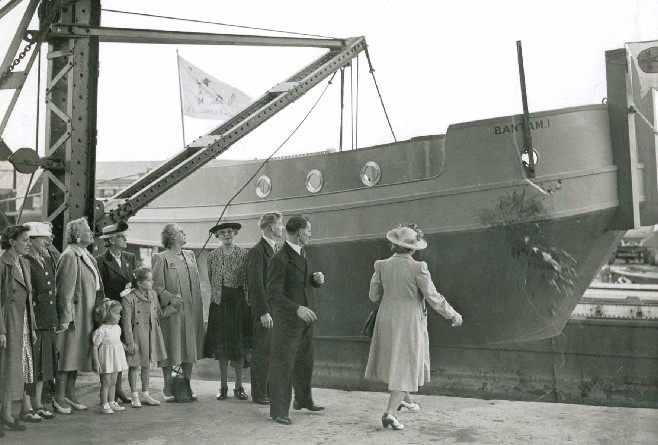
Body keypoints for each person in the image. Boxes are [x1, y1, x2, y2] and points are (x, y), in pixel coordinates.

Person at [364, 224, 463, 431]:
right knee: (407, 363)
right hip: (408, 321)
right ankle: (390, 413)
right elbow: (434, 298)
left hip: (386, 319)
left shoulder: (380, 265)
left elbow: (374, 297)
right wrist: (452, 313)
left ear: (394, 245)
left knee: (396, 360)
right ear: (413, 248)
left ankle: (406, 400)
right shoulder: (418, 267)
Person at [267, 215, 325, 425]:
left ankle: (303, 400)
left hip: (305, 320)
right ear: (300, 232)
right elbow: (273, 295)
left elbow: (299, 283)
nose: (310, 233)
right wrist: (297, 309)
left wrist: (315, 280)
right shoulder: (279, 259)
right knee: (283, 365)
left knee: (304, 361)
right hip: (288, 321)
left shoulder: (302, 253)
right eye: (308, 230)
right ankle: (278, 411)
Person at [54, 217, 104, 414]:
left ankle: (70, 393)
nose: (92, 233)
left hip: (87, 313)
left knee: (76, 355)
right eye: (87, 230)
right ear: (77, 235)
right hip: (75, 317)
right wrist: (65, 319)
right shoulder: (69, 255)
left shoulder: (86, 255)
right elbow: (64, 291)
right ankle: (59, 397)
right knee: (66, 356)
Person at [152, 223, 204, 401]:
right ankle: (167, 388)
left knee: (189, 348)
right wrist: (170, 297)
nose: (184, 233)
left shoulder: (189, 255)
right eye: (181, 231)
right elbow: (156, 285)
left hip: (191, 310)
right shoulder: (161, 257)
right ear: (173, 236)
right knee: (172, 346)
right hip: (174, 311)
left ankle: (186, 387)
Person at [203, 222, 250, 401]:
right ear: (218, 236)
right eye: (222, 233)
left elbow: (246, 279)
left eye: (230, 232)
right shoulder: (212, 256)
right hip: (220, 302)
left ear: (235, 233)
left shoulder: (244, 254)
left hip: (238, 301)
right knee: (221, 346)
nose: (226, 235)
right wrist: (218, 295)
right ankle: (223, 387)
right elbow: (211, 277)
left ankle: (239, 387)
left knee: (239, 346)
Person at [95, 222, 141, 403]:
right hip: (111, 313)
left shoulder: (130, 258)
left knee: (122, 353)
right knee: (110, 350)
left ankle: (119, 389)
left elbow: (138, 279)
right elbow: (100, 289)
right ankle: (108, 392)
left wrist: (133, 286)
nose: (125, 239)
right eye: (121, 236)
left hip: (128, 311)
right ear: (111, 240)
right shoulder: (101, 261)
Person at [122, 267, 176, 408]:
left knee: (146, 365)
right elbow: (126, 322)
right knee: (134, 366)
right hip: (136, 335)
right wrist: (130, 342)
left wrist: (174, 307)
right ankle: (134, 396)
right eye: (149, 280)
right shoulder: (129, 298)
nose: (152, 282)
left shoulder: (152, 294)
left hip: (151, 333)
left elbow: (159, 313)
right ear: (139, 283)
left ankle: (145, 394)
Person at [0, 225, 36, 433]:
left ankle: (7, 414)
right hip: (7, 321)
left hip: (21, 322)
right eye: (25, 240)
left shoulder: (23, 263)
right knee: (5, 370)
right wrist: (1, 330)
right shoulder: (2, 263)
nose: (28, 243)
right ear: (12, 242)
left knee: (14, 371)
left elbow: (28, 297)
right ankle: (5, 415)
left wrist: (31, 326)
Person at [246, 212, 284, 405]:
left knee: (273, 351)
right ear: (271, 227)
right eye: (280, 224)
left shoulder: (277, 250)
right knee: (262, 351)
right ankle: (260, 393)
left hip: (277, 311)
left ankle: (269, 390)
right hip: (266, 312)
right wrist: (263, 312)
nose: (282, 228)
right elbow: (255, 285)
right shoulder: (257, 252)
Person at [23, 222, 58, 421]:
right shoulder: (26, 261)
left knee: (43, 364)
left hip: (46, 319)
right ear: (33, 241)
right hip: (34, 319)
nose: (47, 242)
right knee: (31, 363)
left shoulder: (44, 259)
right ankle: (27, 406)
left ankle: (37, 404)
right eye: (42, 239)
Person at [92, 299, 129, 415]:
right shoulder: (101, 330)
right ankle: (104, 403)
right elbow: (94, 346)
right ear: (107, 314)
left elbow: (117, 342)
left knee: (113, 382)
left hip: (115, 359)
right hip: (106, 360)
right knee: (106, 382)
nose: (119, 316)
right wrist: (96, 362)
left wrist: (125, 347)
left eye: (119, 314)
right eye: (116, 313)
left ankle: (112, 401)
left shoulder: (117, 328)